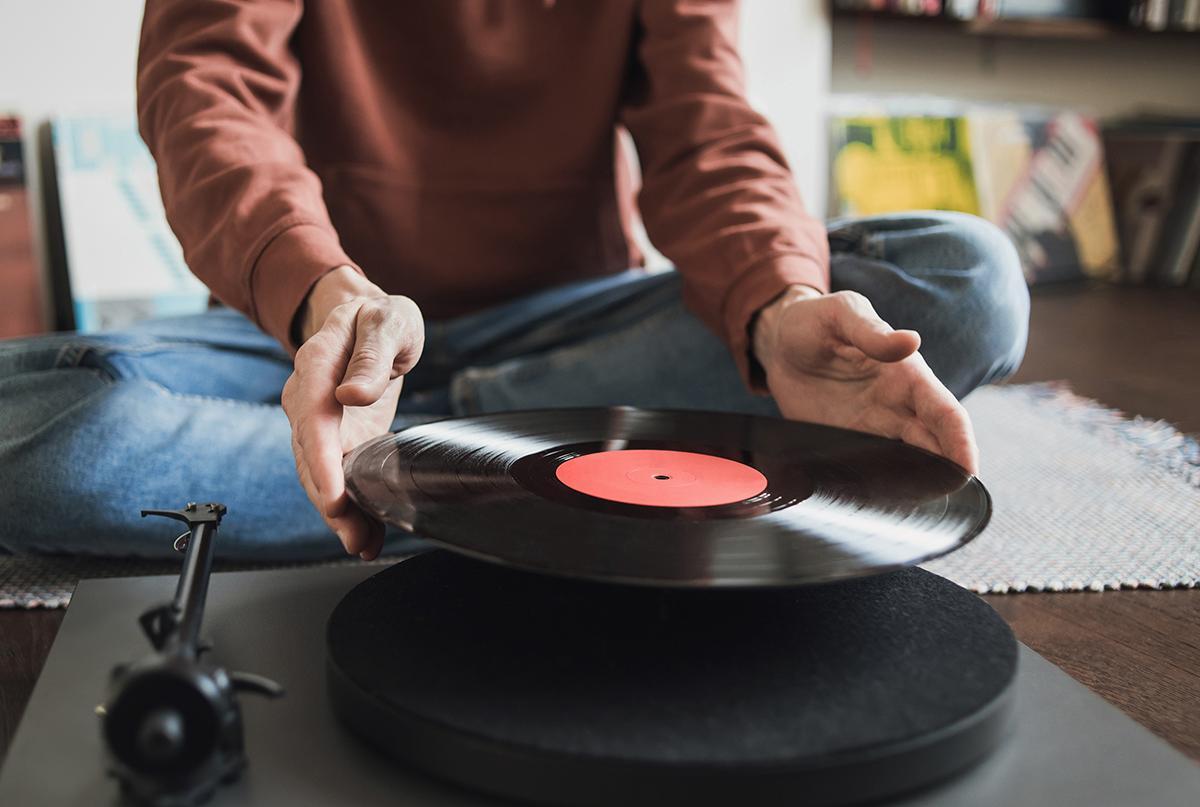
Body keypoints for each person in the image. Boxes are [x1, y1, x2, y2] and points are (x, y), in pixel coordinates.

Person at [0, 1, 1027, 560]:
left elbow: (707, 128)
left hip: (574, 327)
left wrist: (779, 307)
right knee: (44, 435)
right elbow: (205, 92)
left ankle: (437, 466)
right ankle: (534, 472)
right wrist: (330, 298)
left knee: (965, 278)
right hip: (330, 334)